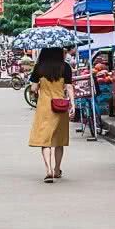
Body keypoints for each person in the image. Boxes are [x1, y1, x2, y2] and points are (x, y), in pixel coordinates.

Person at [28, 47, 75, 183]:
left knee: (45, 139)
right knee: (59, 140)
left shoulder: (39, 67)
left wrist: (36, 88)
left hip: (44, 107)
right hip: (60, 106)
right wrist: (73, 103)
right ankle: (57, 169)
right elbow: (69, 86)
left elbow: (33, 88)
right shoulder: (65, 67)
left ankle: (48, 170)